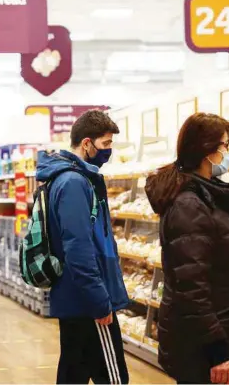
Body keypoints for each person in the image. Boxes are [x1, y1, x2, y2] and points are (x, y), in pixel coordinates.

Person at [144, 113, 229, 384]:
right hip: (204, 346)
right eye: (224, 146)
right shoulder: (189, 204)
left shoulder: (206, 195)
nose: (227, 152)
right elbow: (191, 287)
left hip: (221, 332)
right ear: (207, 152)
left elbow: (207, 257)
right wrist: (218, 353)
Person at [36, 110, 130, 384]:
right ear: (87, 143)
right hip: (88, 299)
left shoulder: (67, 178)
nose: (108, 151)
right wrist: (100, 302)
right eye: (106, 144)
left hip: (74, 296)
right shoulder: (74, 183)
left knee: (73, 373)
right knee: (113, 378)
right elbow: (78, 247)